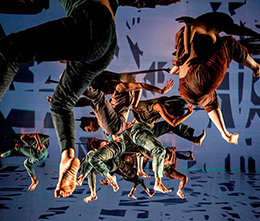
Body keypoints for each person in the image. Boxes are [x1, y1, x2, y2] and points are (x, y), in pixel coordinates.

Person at [0, 0, 182, 198]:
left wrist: (156, 92)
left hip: (101, 37)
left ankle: (68, 156)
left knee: (73, 98)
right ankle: (68, 155)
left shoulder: (119, 89)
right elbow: (138, 86)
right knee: (66, 102)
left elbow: (137, 87)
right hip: (101, 44)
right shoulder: (121, 90)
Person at [170, 12, 260, 145]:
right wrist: (187, 51)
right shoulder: (203, 28)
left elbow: (174, 72)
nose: (219, 34)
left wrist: (179, 59)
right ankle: (256, 67)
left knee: (211, 100)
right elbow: (190, 27)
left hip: (186, 87)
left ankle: (225, 134)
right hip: (191, 85)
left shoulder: (188, 43)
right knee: (229, 43)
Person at [129, 94, 194, 193]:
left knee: (161, 149)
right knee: (159, 150)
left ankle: (195, 138)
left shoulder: (162, 103)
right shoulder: (159, 106)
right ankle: (157, 183)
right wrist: (189, 113)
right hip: (139, 132)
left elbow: (140, 114)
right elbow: (173, 122)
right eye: (173, 115)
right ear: (171, 109)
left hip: (146, 130)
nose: (172, 117)